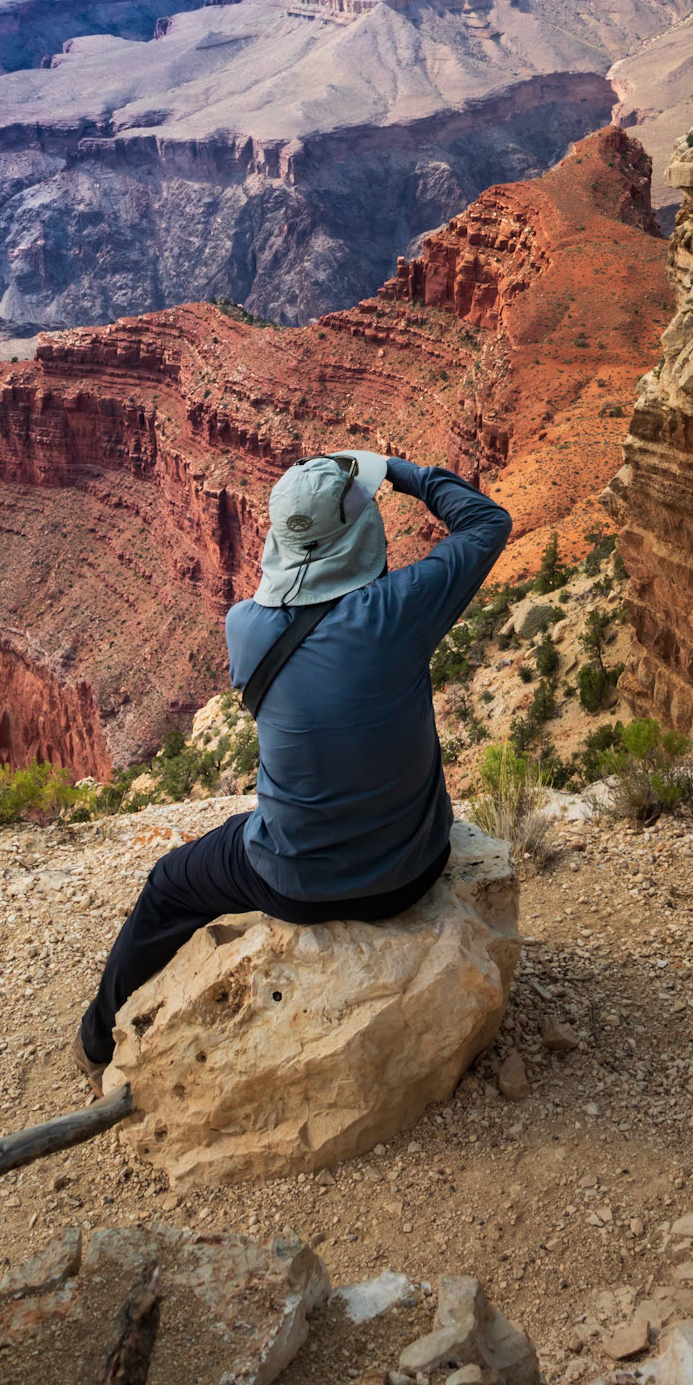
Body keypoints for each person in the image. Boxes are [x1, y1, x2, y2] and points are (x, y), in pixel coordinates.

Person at [73, 450, 512, 1089]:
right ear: (363, 535)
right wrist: (398, 470)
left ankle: (94, 1041)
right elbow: (486, 523)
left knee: (171, 882)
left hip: (294, 885)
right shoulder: (402, 609)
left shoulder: (244, 626)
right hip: (414, 871)